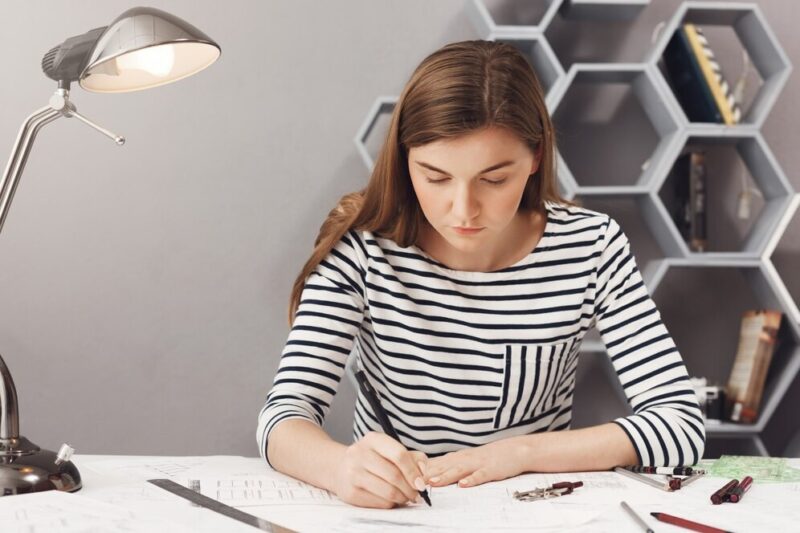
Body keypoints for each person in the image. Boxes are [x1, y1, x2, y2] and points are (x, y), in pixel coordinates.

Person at [257, 40, 705, 509]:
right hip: (398, 516)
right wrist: (339, 467)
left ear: (534, 159)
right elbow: (283, 418)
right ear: (405, 159)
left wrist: (522, 453)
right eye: (435, 177)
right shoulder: (363, 247)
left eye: (493, 180)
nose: (463, 209)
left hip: (531, 512)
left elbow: (680, 424)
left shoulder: (592, 246)